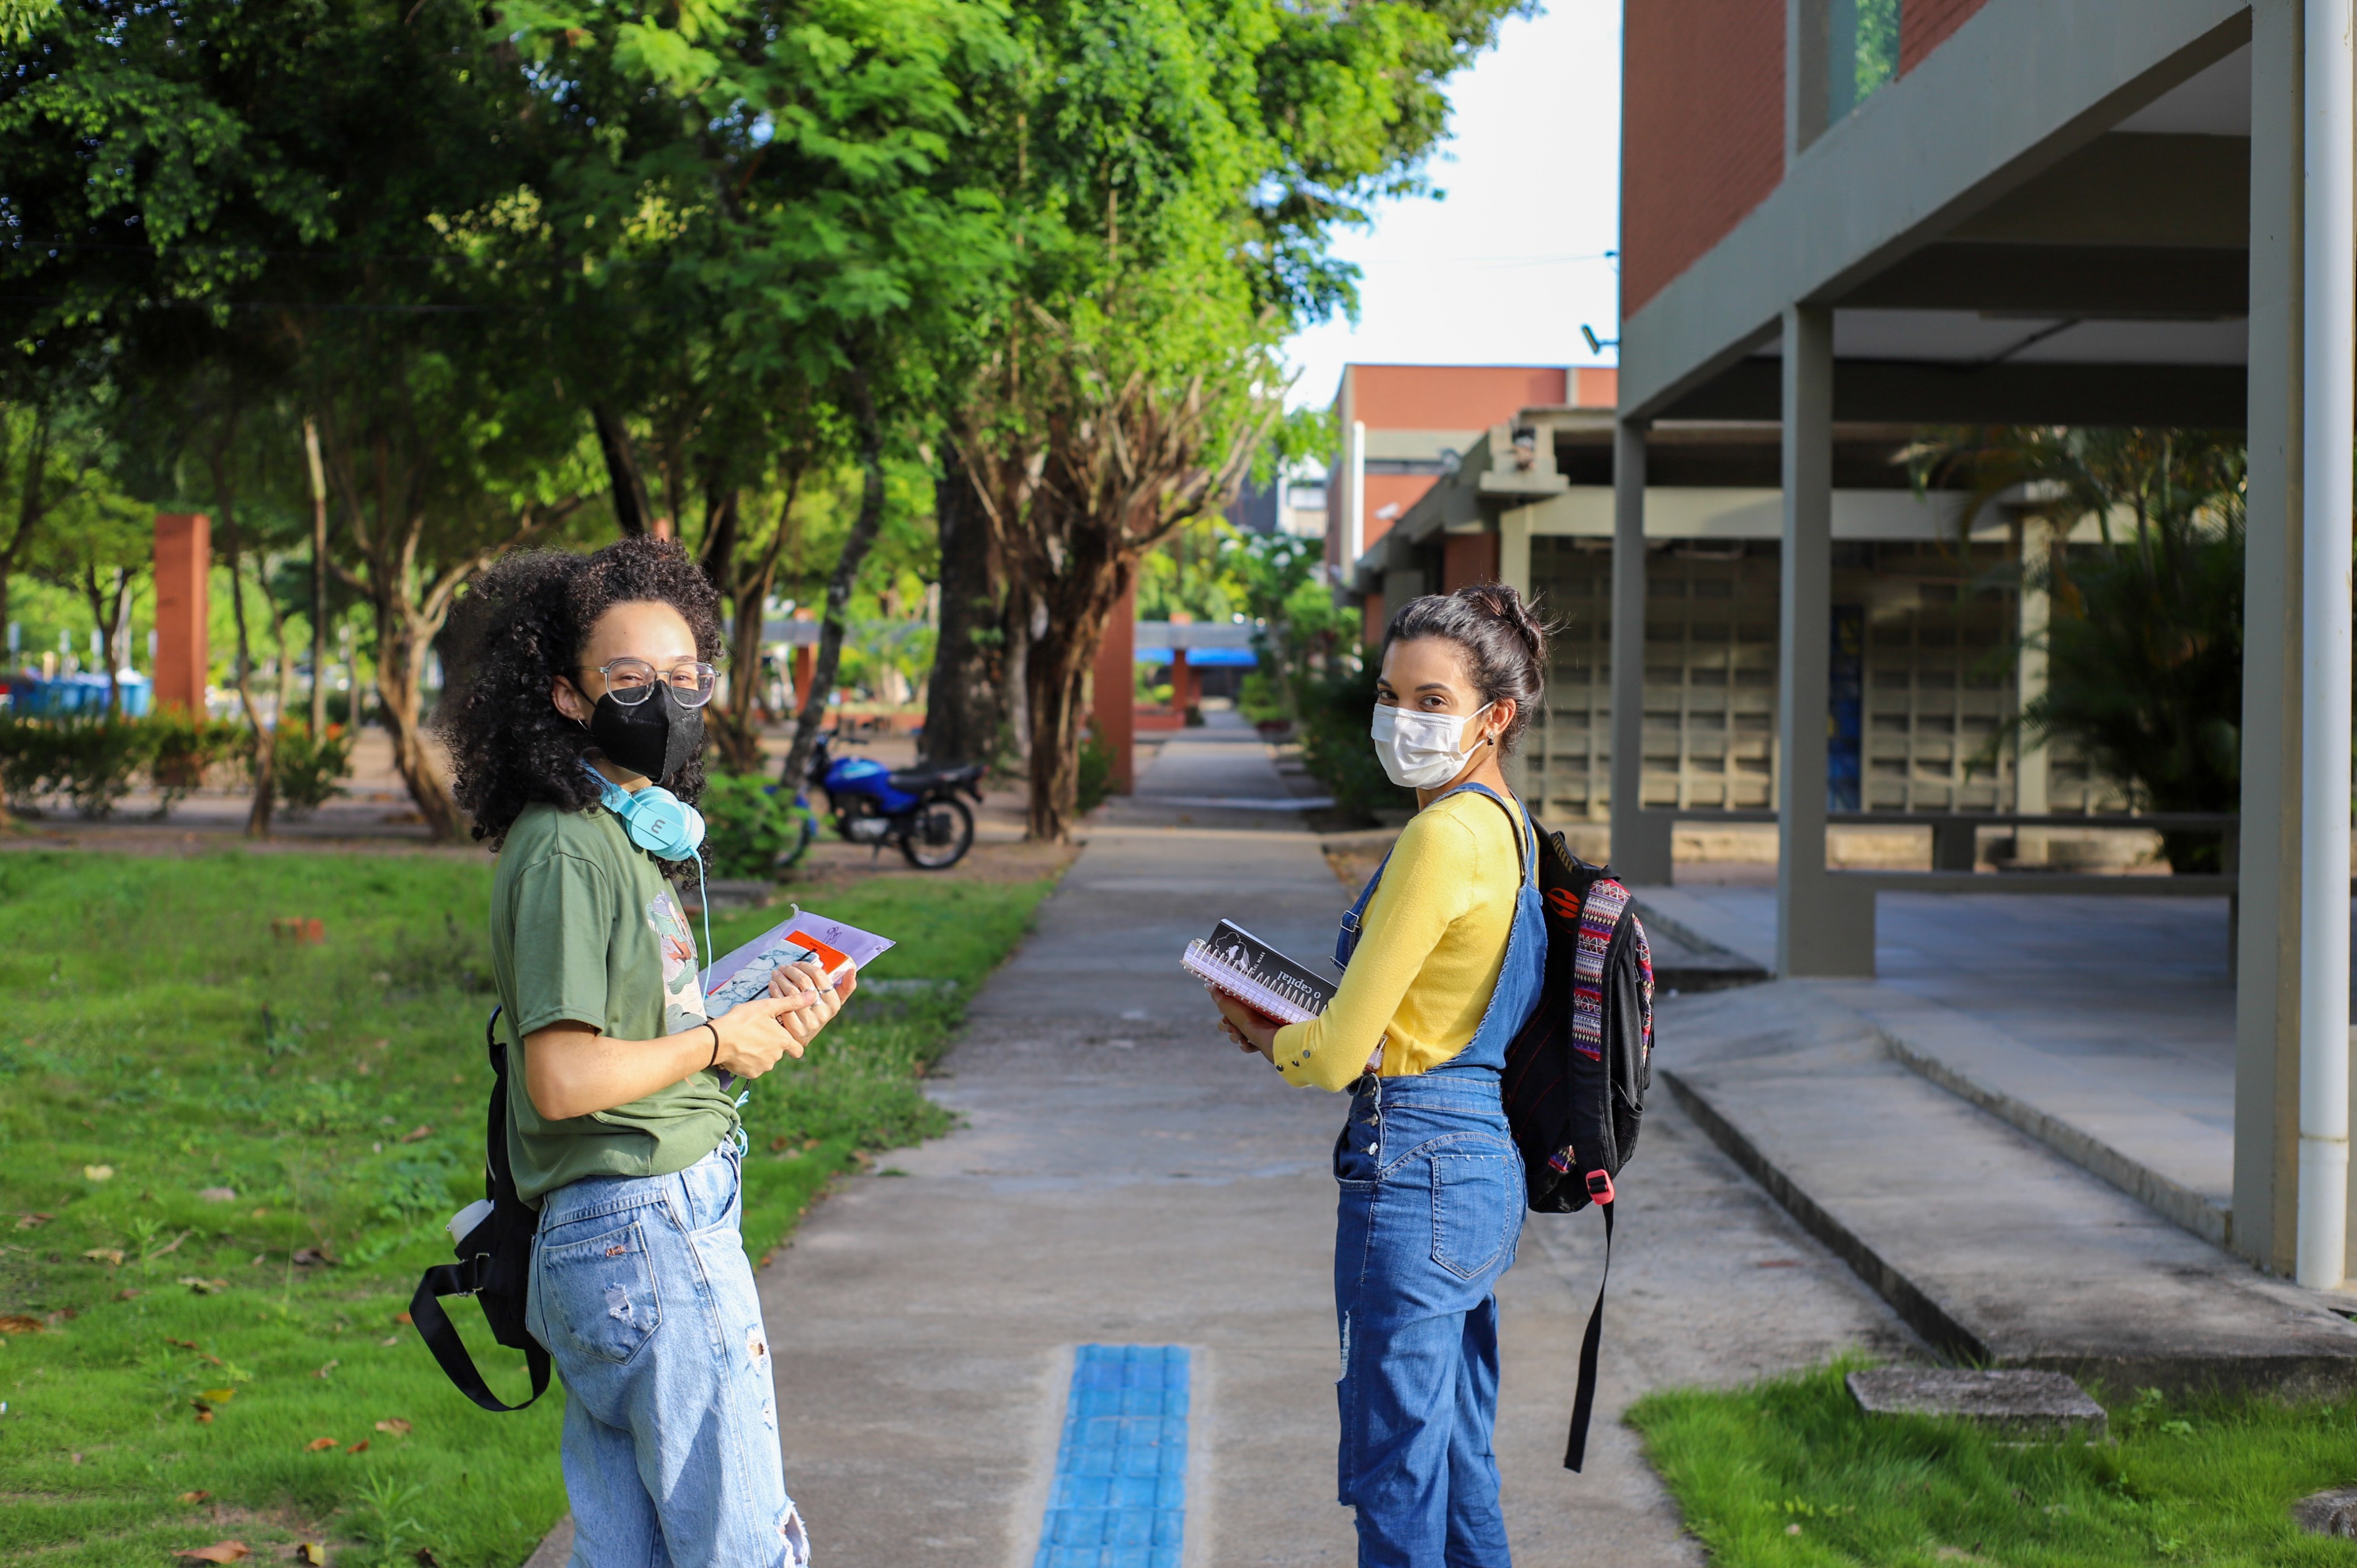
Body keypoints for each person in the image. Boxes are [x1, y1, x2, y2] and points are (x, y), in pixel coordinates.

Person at [441, 537, 845, 1567]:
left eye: (684, 677)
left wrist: (747, 1027)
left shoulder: (617, 834)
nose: (663, 701)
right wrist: (715, 1038)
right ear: (566, 696)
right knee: (742, 1549)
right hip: (646, 1229)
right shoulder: (571, 849)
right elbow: (562, 1076)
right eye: (629, 679)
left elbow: (630, 1035)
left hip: (623, 1240)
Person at [1208, 585, 1551, 1568]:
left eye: (1433, 701)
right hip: (1481, 1165)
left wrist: (1262, 1029)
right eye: (1392, 695)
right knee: (1457, 1459)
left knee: (1393, 1475)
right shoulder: (1510, 830)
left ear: (1496, 716)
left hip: (1412, 1168)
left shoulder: (1440, 836)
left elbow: (1336, 1054)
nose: (1403, 719)